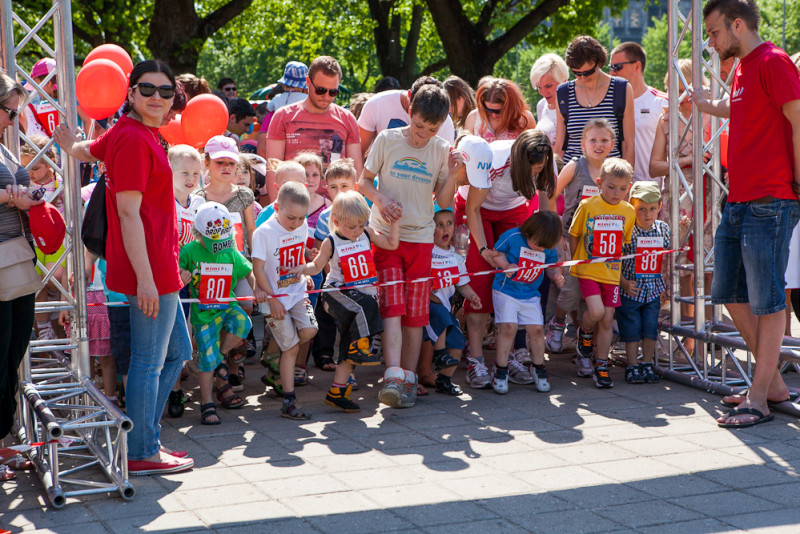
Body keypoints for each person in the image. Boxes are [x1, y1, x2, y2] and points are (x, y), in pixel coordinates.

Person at [54, 60, 194, 475]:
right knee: (150, 360)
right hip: (149, 268)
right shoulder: (133, 139)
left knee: (176, 353)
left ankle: (144, 435)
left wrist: (69, 144)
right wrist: (147, 282)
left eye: (165, 92)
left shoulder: (127, 133)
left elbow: (88, 150)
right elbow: (128, 214)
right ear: (130, 94)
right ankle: (142, 450)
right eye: (147, 89)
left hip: (154, 265)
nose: (156, 98)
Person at [692, 0, 800, 428]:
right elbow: (746, 111)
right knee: (729, 292)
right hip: (738, 198)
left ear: (738, 25)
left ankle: (759, 397)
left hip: (771, 198)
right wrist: (707, 105)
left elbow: (797, 118)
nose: (712, 42)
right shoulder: (743, 67)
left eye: (715, 32)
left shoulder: (772, 61)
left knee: (768, 300)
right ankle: (770, 383)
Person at [357, 84, 461, 409]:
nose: (422, 135)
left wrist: (454, 174)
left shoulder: (441, 149)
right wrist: (381, 198)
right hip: (386, 236)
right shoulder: (387, 140)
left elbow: (444, 201)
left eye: (431, 130)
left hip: (420, 240)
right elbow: (363, 182)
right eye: (419, 126)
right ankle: (392, 376)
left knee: (416, 315)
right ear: (410, 112)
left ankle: (410, 379)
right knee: (392, 308)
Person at [460, 131, 556, 389]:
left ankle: (510, 357)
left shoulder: (545, 158)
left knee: (519, 277)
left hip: (512, 211)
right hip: (479, 210)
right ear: (518, 162)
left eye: (540, 168)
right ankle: (476, 359)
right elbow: (473, 209)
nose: (536, 173)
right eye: (532, 169)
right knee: (480, 282)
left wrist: (555, 243)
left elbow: (548, 208)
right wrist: (483, 251)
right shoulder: (493, 160)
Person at [288, 190, 399, 412]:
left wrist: (395, 222)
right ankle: (363, 346)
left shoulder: (366, 233)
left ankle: (337, 392)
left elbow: (391, 244)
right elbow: (317, 266)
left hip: (358, 297)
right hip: (335, 292)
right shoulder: (331, 240)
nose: (356, 231)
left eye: (360, 225)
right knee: (366, 306)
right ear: (336, 222)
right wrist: (301, 269)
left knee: (350, 343)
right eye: (351, 227)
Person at [179, 202, 263, 424]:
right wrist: (182, 274)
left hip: (227, 306)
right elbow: (175, 269)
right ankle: (207, 404)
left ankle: (220, 357)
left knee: (243, 324)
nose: (218, 243)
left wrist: (257, 289)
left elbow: (248, 271)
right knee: (206, 362)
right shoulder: (189, 250)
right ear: (199, 234)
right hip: (205, 313)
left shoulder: (230, 250)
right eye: (212, 238)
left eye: (222, 237)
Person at [1, 69, 43, 482]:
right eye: (10, 112)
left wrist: (30, 198)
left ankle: (2, 440)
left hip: (18, 258)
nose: (15, 121)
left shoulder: (4, 147)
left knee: (14, 350)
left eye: (16, 114)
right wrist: (10, 197)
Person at [545, 119, 616, 353]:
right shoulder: (575, 166)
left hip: (599, 244)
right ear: (583, 143)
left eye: (604, 140)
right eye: (593, 140)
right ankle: (557, 322)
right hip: (568, 238)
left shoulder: (613, 170)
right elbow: (550, 196)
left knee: (591, 296)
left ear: (612, 144)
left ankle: (583, 343)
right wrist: (556, 235)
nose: (598, 144)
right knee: (571, 288)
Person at [251, 181, 318, 420]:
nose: (297, 224)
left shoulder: (300, 227)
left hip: (297, 290)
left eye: (302, 218)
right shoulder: (264, 233)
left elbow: (298, 251)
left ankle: (275, 357)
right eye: (291, 218)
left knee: (309, 330)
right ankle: (289, 399)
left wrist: (304, 269)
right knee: (290, 347)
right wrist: (273, 298)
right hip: (275, 297)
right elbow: (257, 269)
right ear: (276, 207)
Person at [568, 158, 635, 388]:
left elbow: (623, 243)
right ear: (599, 183)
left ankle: (601, 364)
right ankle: (585, 333)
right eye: (611, 187)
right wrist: (575, 260)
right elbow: (574, 233)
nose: (617, 193)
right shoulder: (588, 205)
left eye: (623, 189)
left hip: (611, 273)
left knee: (607, 319)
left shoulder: (629, 211)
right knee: (595, 312)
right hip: (588, 269)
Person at [263, 56, 362, 202]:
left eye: (333, 92)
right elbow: (273, 170)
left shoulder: (347, 118)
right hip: (293, 206)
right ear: (308, 82)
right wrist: (277, 208)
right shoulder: (283, 116)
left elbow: (355, 171)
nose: (327, 97)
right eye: (321, 90)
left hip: (336, 207)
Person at [489, 211, 563, 394]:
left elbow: (552, 266)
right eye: (537, 245)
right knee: (508, 327)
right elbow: (495, 254)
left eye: (543, 248)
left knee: (537, 329)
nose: (539, 250)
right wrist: (506, 265)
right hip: (506, 290)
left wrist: (557, 276)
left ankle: (538, 367)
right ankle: (501, 369)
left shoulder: (547, 247)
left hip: (530, 293)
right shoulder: (513, 236)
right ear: (529, 232)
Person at [425, 204, 482, 396]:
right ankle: (440, 355)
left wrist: (472, 296)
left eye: (449, 223)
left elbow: (462, 284)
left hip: (445, 309)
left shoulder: (456, 257)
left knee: (457, 341)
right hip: (428, 307)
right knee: (440, 314)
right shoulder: (426, 252)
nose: (445, 228)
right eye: (439, 225)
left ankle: (444, 380)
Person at [166, 144, 205, 417]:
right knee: (174, 336)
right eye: (184, 172)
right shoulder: (163, 201)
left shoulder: (200, 203)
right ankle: (175, 389)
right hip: (170, 280)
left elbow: (204, 241)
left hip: (195, 280)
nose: (190, 178)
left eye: (195, 173)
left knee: (188, 335)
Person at [618, 181, 670, 384]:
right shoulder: (627, 229)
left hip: (653, 289)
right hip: (631, 289)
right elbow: (615, 260)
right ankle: (632, 365)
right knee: (631, 329)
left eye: (652, 209)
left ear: (659, 207)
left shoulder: (662, 229)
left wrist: (682, 231)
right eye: (641, 209)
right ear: (632, 206)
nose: (648, 214)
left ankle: (647, 364)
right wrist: (622, 282)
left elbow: (669, 253)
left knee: (650, 328)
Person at [555, 35, 635, 167]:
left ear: (599, 63)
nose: (582, 78)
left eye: (588, 72)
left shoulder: (621, 89)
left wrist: (626, 181)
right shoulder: (564, 93)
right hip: (573, 176)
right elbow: (560, 146)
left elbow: (628, 144)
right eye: (576, 73)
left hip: (610, 175)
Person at [311, 158, 358, 373]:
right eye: (333, 187)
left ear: (354, 187)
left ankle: (350, 360)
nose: (339, 192)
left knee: (352, 322)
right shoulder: (324, 217)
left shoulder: (364, 212)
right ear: (326, 188)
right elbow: (322, 249)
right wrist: (333, 276)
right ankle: (324, 351)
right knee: (325, 312)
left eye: (344, 186)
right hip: (333, 276)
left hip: (359, 277)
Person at [609, 42, 669, 184]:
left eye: (617, 67)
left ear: (637, 66)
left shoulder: (662, 102)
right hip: (618, 191)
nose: (612, 73)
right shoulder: (609, 102)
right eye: (610, 68)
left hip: (653, 193)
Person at [358, 76, 457, 154]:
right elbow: (358, 151)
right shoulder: (376, 104)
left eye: (432, 129)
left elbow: (444, 167)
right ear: (409, 95)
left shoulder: (446, 123)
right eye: (419, 125)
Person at [464, 77, 536, 142]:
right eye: (488, 110)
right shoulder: (474, 117)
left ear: (511, 107)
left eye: (498, 111)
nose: (493, 115)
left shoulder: (524, 118)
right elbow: (466, 150)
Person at [529, 53, 570, 146]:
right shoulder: (541, 105)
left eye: (548, 86)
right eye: (539, 87)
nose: (543, 92)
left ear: (564, 81)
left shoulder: (573, 104)